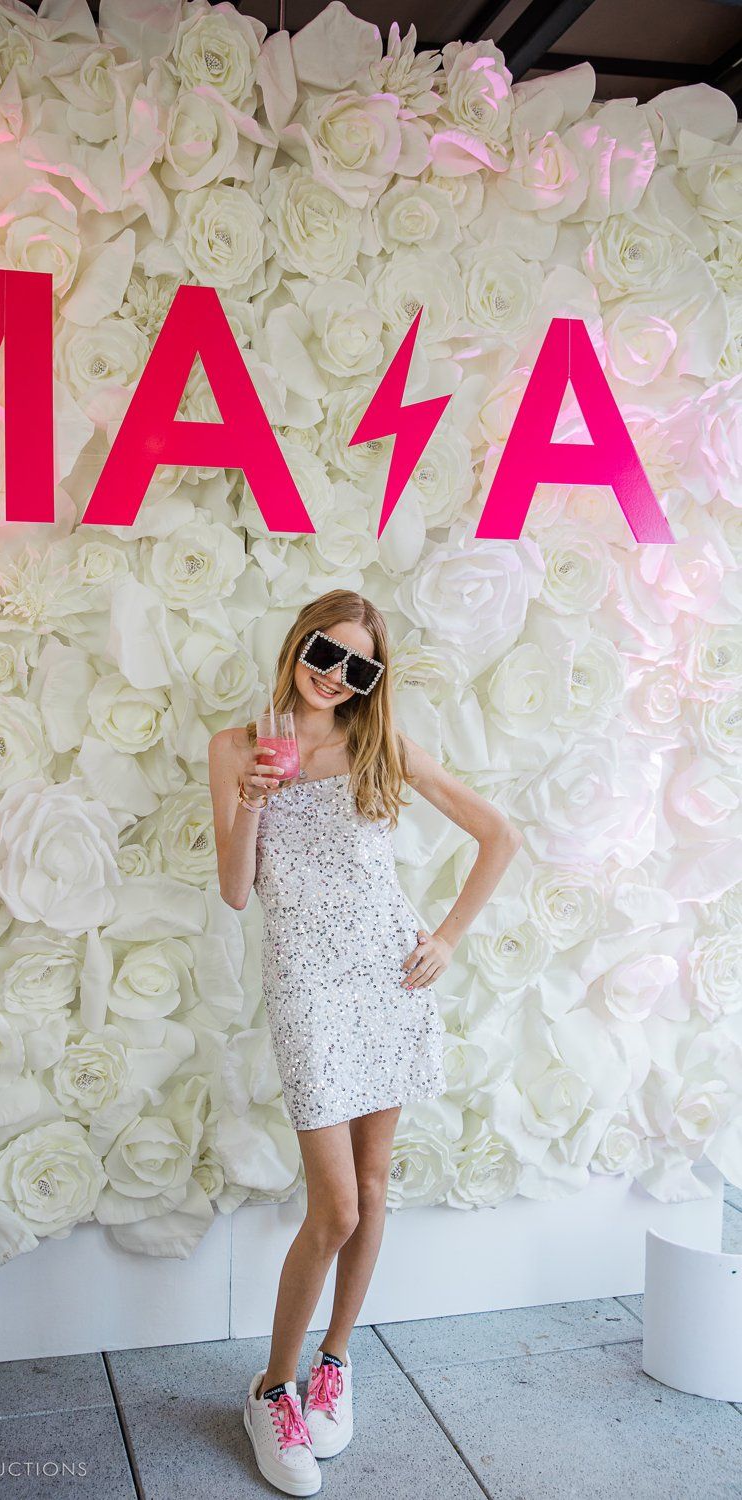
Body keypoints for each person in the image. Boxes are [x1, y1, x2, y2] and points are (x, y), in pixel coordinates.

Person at [207, 589, 522, 1497]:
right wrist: (254, 800)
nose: (335, 675)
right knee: (335, 1207)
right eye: (324, 651)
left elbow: (499, 835)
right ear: (298, 642)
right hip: (305, 983)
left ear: (372, 680)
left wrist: (449, 935)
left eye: (359, 666)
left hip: (389, 975)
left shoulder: (382, 744)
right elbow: (236, 891)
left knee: (376, 1187)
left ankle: (334, 1362)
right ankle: (271, 1388)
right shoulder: (236, 745)